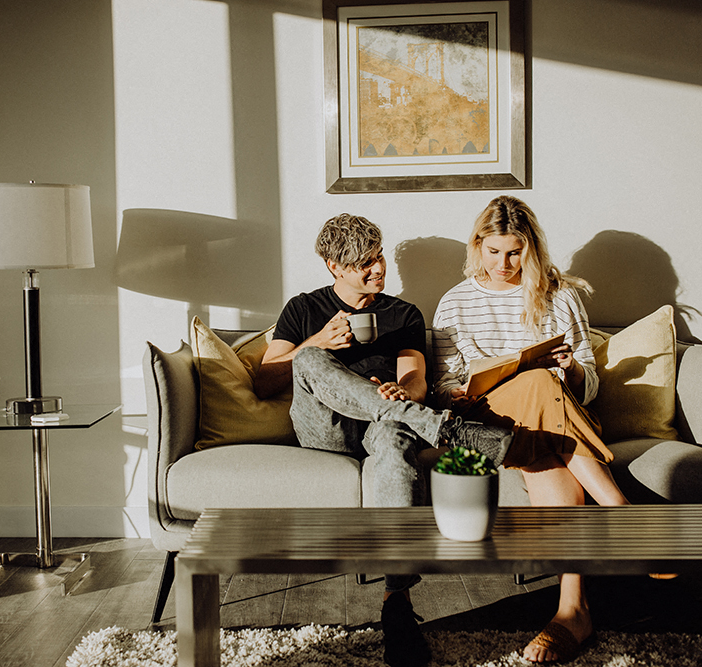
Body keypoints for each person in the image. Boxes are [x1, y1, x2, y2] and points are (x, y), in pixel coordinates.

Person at [255, 213, 513, 667]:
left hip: (383, 422)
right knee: (311, 360)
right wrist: (314, 342)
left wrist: (402, 393)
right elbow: (264, 382)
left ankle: (397, 603)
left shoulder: (402, 314)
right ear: (333, 265)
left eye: (378, 258)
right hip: (325, 428)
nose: (377, 270)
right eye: (363, 265)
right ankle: (440, 428)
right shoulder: (303, 308)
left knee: (396, 439)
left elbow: (414, 377)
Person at [431, 195, 631, 664]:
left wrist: (574, 371)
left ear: (532, 248)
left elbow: (589, 382)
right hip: (491, 419)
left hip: (550, 423)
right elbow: (443, 382)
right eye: (494, 251)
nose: (504, 263)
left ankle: (572, 612)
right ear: (477, 246)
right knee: (536, 380)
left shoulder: (559, 295)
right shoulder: (456, 301)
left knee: (543, 390)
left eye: (515, 252)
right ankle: (620, 508)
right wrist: (454, 394)